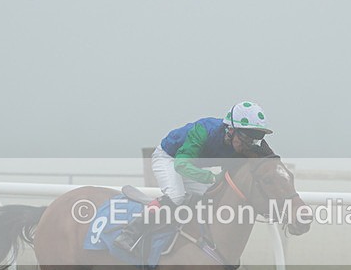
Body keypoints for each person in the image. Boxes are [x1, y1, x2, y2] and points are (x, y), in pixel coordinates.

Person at [113, 101, 272, 252]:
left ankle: (189, 233)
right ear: (231, 130)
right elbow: (181, 165)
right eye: (246, 137)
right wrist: (210, 177)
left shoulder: (241, 143)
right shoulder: (203, 130)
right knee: (176, 196)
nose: (248, 144)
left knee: (210, 194)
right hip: (169, 158)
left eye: (254, 139)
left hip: (191, 164)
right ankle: (130, 233)